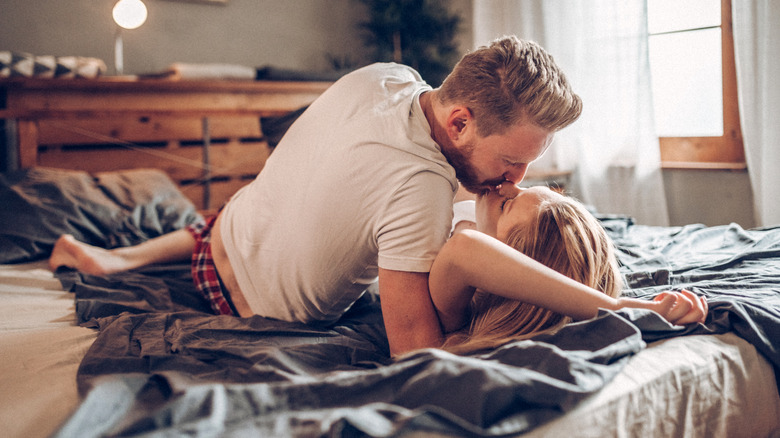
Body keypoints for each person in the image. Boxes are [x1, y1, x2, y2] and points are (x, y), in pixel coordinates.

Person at [48, 36, 646, 357]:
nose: (513, 179)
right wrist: (615, 306)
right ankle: (116, 258)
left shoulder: (384, 76)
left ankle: (117, 257)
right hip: (245, 308)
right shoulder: (422, 194)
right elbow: (415, 352)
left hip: (229, 231)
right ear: (460, 122)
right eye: (513, 161)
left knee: (260, 204)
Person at [428, 184, 707, 355]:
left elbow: (465, 247)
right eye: (525, 187)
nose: (507, 186)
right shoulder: (479, 217)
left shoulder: (459, 307)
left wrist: (618, 307)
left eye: (506, 205)